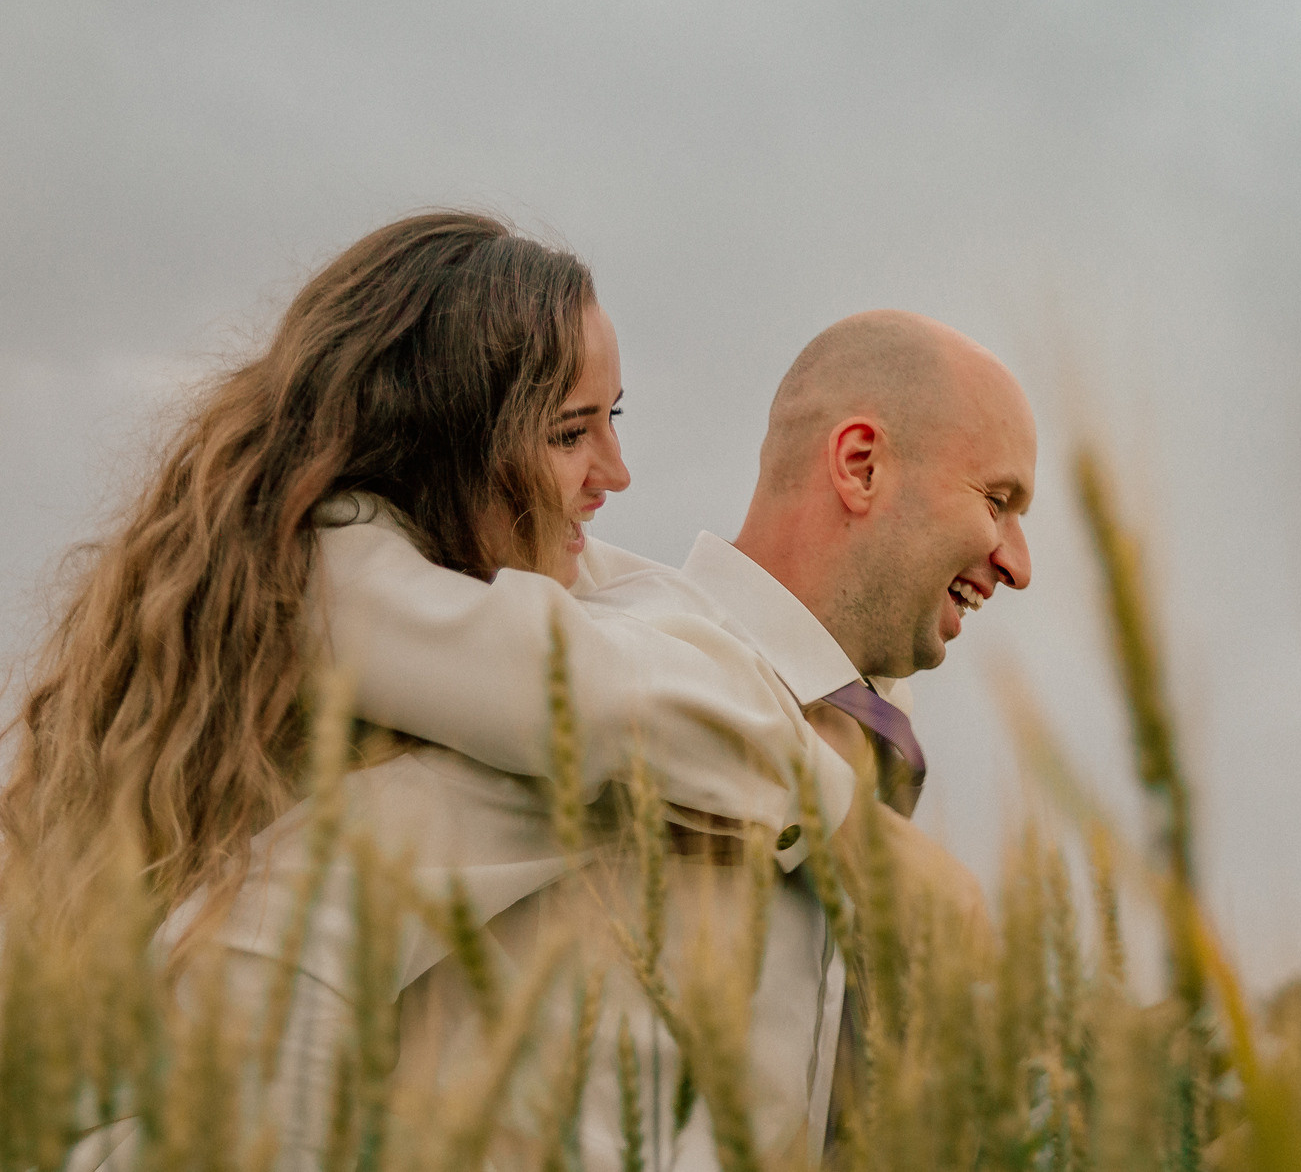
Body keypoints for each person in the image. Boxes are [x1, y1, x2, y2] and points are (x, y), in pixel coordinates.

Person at [8, 211, 856, 1169]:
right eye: (571, 432)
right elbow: (624, 706)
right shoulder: (337, 580)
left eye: (612, 418)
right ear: (444, 441)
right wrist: (825, 796)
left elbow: (657, 631)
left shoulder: (415, 572)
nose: (614, 472)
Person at [313, 308, 1036, 1167]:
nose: (1018, 563)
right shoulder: (588, 687)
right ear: (860, 464)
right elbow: (280, 933)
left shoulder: (868, 742)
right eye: (997, 502)